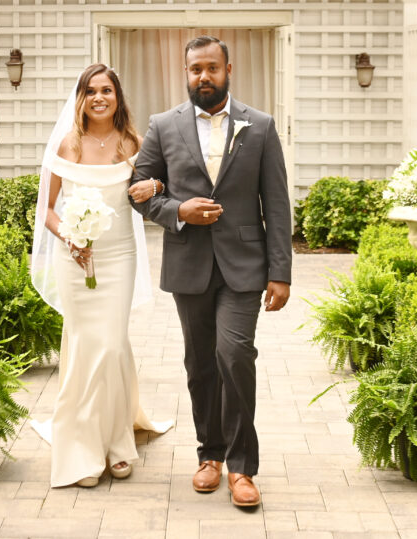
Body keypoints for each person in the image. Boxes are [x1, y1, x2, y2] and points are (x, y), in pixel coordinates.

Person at [130, 36, 292, 509]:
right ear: (186, 72)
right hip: (190, 264)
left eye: (212, 68)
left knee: (234, 354)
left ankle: (243, 467)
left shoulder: (259, 126)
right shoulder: (162, 126)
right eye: (195, 69)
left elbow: (277, 204)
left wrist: (280, 272)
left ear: (228, 69)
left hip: (245, 266)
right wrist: (180, 210)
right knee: (200, 364)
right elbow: (138, 191)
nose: (204, 76)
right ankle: (210, 455)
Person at [30, 63, 171, 488]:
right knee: (83, 344)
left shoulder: (134, 143)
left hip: (119, 256)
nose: (98, 98)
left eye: (106, 90)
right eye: (90, 91)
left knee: (109, 346)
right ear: (81, 97)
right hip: (74, 259)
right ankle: (82, 447)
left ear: (117, 96)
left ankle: (117, 443)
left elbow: (157, 186)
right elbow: (48, 210)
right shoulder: (67, 144)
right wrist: (70, 239)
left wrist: (158, 188)